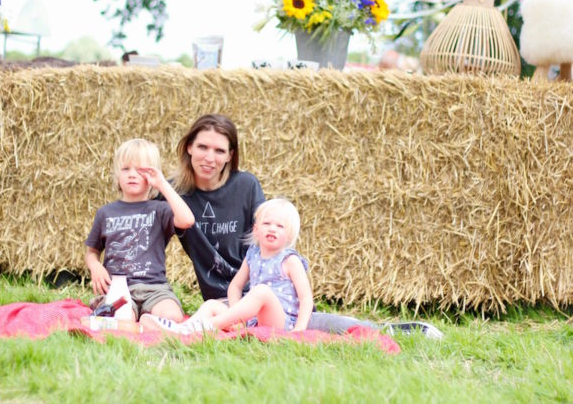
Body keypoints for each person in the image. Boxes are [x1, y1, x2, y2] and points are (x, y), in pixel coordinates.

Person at [166, 114, 442, 338]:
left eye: (219, 150)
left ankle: (392, 330)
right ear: (189, 146)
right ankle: (185, 331)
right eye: (202, 147)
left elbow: (272, 241)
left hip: (270, 295)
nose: (209, 157)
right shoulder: (174, 194)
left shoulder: (245, 185)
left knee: (323, 323)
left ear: (230, 155)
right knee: (209, 308)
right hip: (230, 301)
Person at [141, 198, 313, 334]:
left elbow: (305, 297)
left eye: (280, 226)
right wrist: (238, 313)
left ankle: (206, 327)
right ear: (255, 229)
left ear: (289, 235)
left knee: (261, 291)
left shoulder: (290, 260)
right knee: (211, 305)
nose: (272, 229)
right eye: (267, 224)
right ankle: (183, 330)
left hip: (280, 322)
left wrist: (300, 328)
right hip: (254, 321)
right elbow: (235, 286)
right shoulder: (253, 255)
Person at [84, 138, 195, 322]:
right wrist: (95, 266)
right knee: (121, 318)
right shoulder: (106, 213)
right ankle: (137, 319)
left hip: (155, 289)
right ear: (117, 175)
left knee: (173, 316)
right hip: (119, 288)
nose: (132, 174)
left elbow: (187, 220)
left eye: (141, 170)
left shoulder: (160, 210)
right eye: (125, 169)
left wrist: (162, 184)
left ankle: (147, 320)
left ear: (153, 175)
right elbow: (91, 252)